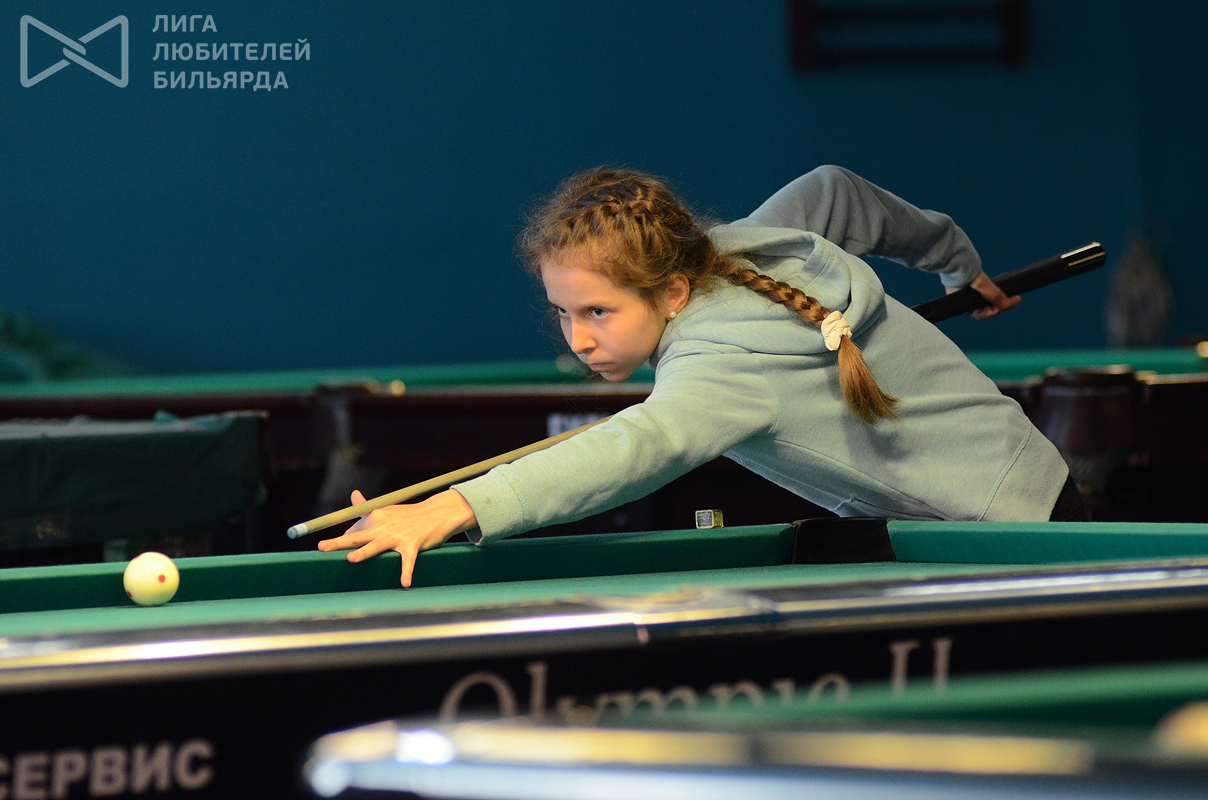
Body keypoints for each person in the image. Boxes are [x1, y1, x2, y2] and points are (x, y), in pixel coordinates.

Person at [319, 165, 1084, 586]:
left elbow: (633, 448)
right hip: (1010, 487)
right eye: (564, 312)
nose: (579, 339)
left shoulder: (717, 368)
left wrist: (452, 507)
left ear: (673, 292)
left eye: (599, 312)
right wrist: (956, 261)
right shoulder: (743, 245)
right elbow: (837, 192)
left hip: (1011, 529)